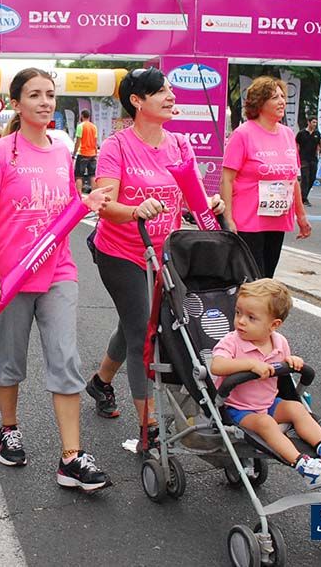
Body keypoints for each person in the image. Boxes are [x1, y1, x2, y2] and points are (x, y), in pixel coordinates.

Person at [0, 67, 112, 492]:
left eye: (50, 95)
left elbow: (65, 209)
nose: (45, 102)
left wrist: (85, 203)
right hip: (11, 274)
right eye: (35, 95)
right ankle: (8, 428)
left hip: (58, 271)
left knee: (65, 358)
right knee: (8, 360)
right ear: (17, 104)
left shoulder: (62, 152)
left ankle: (71, 457)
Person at [85, 68, 225, 435]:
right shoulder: (117, 145)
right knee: (143, 333)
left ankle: (100, 383)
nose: (170, 95)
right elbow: (105, 204)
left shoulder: (180, 145)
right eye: (160, 91)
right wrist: (135, 210)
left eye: (170, 89)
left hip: (166, 253)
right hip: (121, 251)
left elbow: (192, 200)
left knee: (134, 323)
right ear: (137, 101)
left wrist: (209, 205)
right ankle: (149, 427)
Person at [210, 279, 321, 489]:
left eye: (251, 317)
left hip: (269, 403)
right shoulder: (232, 341)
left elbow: (282, 368)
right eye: (238, 313)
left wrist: (291, 361)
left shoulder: (279, 342)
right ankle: (303, 465)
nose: (241, 321)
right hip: (239, 409)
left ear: (274, 325)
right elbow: (217, 366)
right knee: (265, 424)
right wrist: (249, 365)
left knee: (296, 408)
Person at [221, 76, 311, 278]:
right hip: (248, 221)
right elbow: (226, 178)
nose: (281, 101)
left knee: (267, 278)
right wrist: (227, 219)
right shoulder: (243, 134)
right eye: (274, 97)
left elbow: (293, 178)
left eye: (282, 96)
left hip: (276, 219)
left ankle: (258, 311)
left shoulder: (288, 134)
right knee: (252, 280)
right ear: (260, 103)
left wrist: (301, 216)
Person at [296, 118, 321, 206]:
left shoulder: (317, 133)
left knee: (312, 178)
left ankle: (302, 196)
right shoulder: (301, 133)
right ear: (309, 122)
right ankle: (303, 199)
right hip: (304, 158)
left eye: (316, 122)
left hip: (313, 158)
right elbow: (296, 144)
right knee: (305, 178)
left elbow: (320, 146)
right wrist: (296, 156)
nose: (315, 124)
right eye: (313, 122)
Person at [72, 109, 99, 194]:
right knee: (92, 175)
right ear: (89, 116)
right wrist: (95, 154)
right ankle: (94, 194)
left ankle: (79, 195)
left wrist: (74, 153)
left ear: (82, 116)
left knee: (79, 176)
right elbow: (95, 142)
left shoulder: (81, 126)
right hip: (92, 154)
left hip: (83, 154)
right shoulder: (94, 127)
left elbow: (78, 141)